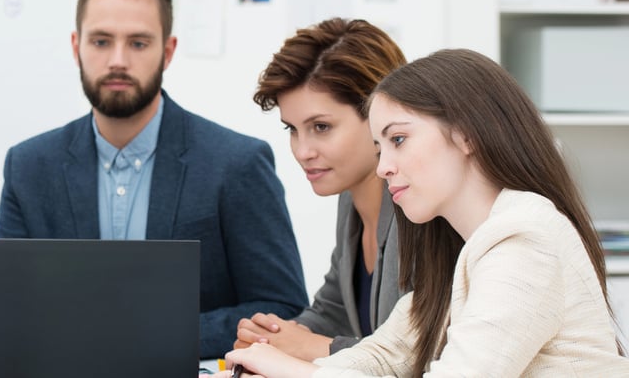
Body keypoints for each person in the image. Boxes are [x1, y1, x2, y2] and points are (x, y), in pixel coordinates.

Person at [217, 49, 629, 377]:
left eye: (399, 139)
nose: (383, 167)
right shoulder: (458, 249)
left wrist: (291, 371)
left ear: (466, 134)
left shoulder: (524, 238)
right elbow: (382, 359)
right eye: (381, 146)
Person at [0, 0, 308, 358]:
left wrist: (150, 335)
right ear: (77, 47)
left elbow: (282, 310)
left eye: (139, 43)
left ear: (168, 50)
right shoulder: (29, 166)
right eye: (101, 42)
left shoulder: (236, 163)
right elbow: (7, 306)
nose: (118, 61)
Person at [235, 18, 407, 361]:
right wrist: (272, 337)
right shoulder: (351, 197)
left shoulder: (421, 208)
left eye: (321, 127)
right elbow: (332, 311)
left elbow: (423, 352)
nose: (302, 151)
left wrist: (314, 347)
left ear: (380, 115)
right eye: (293, 129)